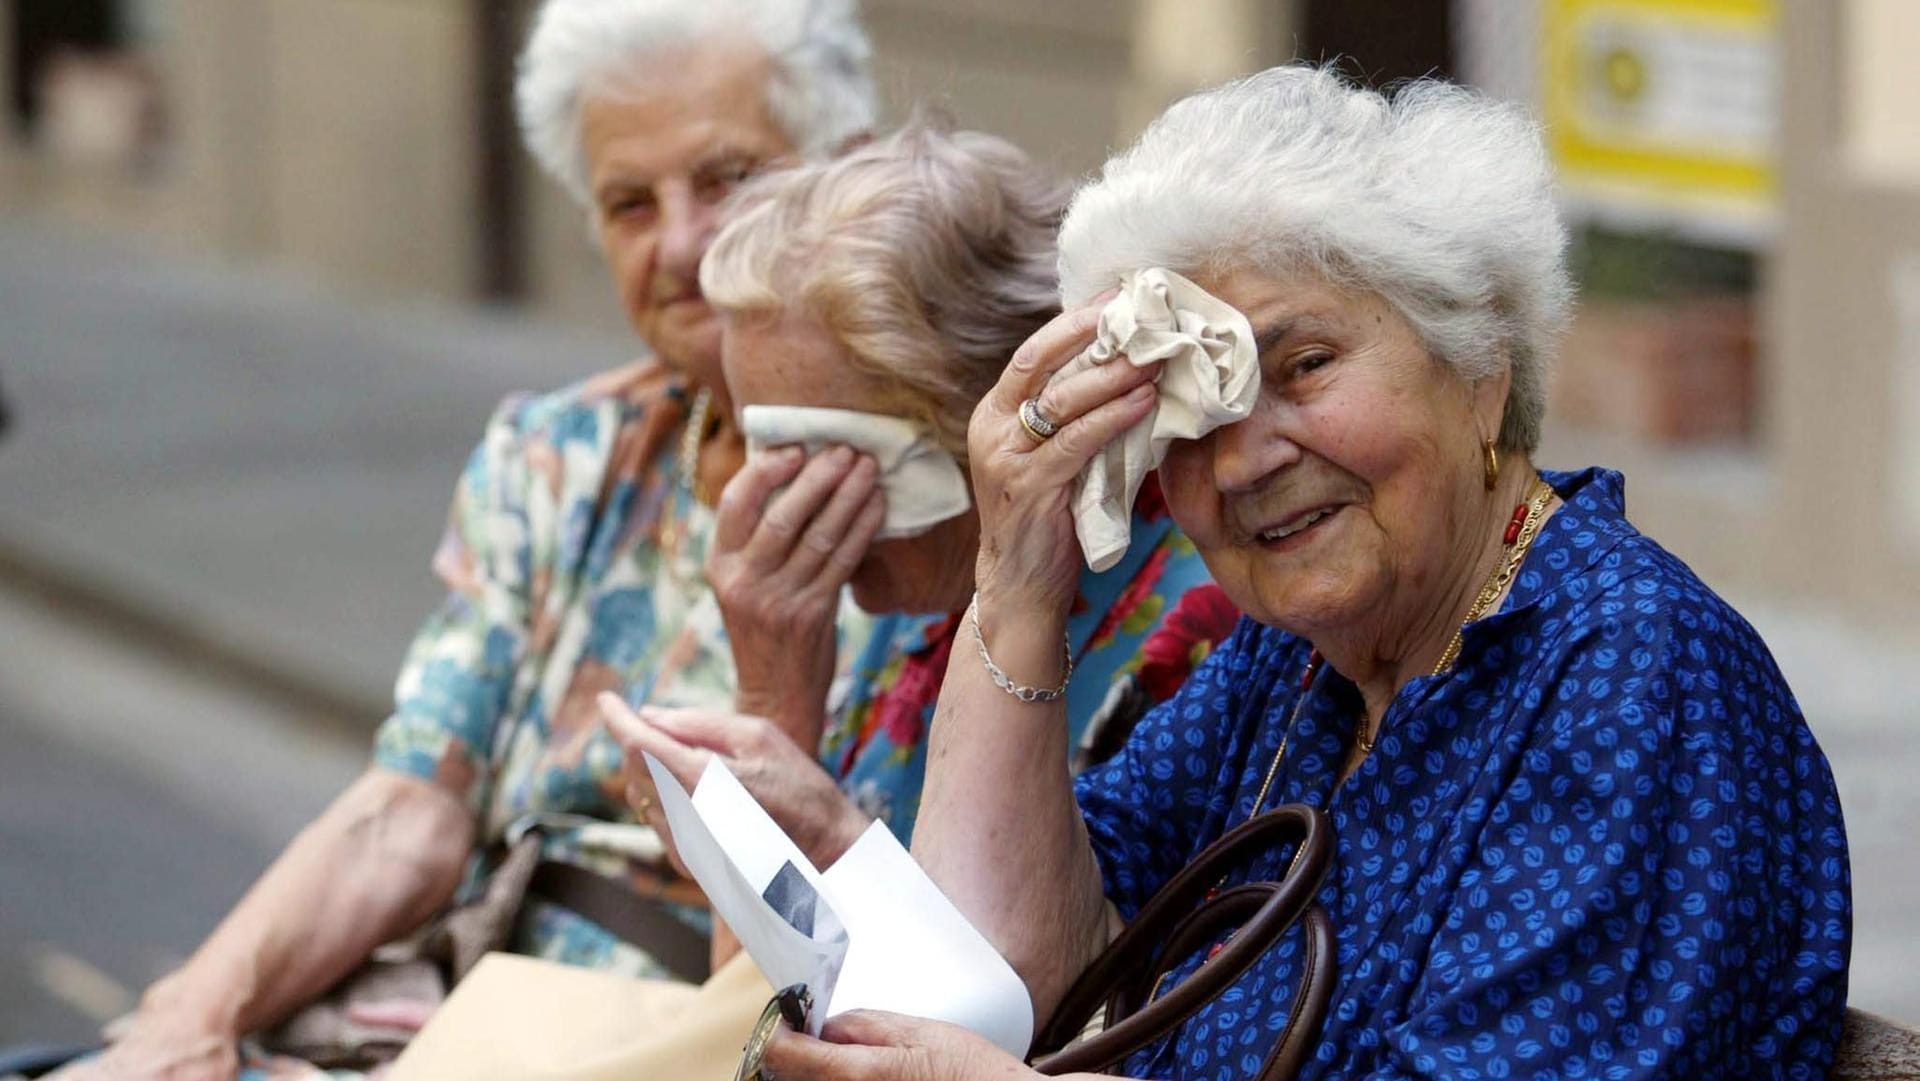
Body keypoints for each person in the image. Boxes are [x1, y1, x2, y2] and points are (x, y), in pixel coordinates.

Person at [760, 66, 1852, 1081]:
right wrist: (1017, 582)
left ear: (1478, 369)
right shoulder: (1291, 667)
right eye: (1190, 410)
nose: (1243, 458)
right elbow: (1010, 973)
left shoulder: (1633, 671)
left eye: (1305, 366)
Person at [58, 2, 876, 1079]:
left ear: (846, 173)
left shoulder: (926, 508)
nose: (681, 243)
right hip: (472, 994)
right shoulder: (563, 454)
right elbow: (412, 806)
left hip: (706, 1029)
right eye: (630, 202)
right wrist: (190, 1013)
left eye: (726, 179)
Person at [602, 119, 1235, 968]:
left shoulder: (1199, 623)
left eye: (827, 459)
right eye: (755, 445)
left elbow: (1044, 1017)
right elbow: (757, 1017)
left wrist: (824, 836)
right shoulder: (906, 593)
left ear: (1002, 401)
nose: (773, 504)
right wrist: (774, 699)